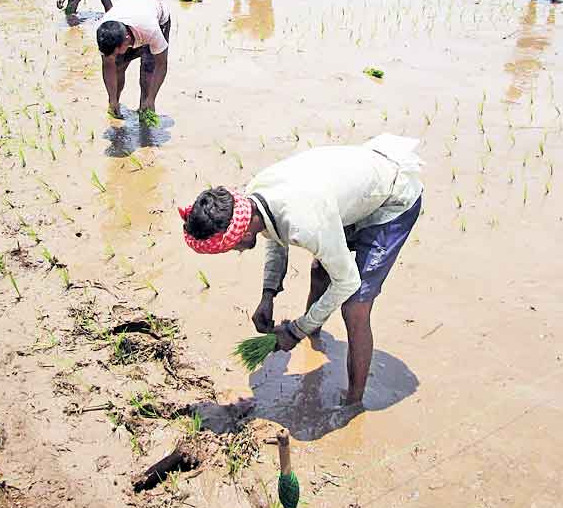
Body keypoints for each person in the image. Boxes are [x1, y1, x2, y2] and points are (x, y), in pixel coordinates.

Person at [179, 134, 424, 406]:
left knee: (355, 306)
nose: (235, 251)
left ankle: (353, 403)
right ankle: (314, 337)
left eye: (232, 246)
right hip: (350, 191)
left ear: (242, 228)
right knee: (320, 272)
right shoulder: (253, 201)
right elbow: (273, 233)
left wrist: (296, 330)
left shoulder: (306, 221)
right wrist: (268, 294)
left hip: (393, 197)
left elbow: (347, 282)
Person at [95, 0, 170, 119]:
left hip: (156, 19)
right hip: (132, 14)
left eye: (117, 52)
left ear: (126, 40)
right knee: (117, 66)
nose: (115, 56)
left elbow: (161, 64)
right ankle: (115, 106)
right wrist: (112, 99)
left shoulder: (151, 30)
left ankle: (145, 109)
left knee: (148, 72)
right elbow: (108, 65)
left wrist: (152, 98)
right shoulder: (104, 32)